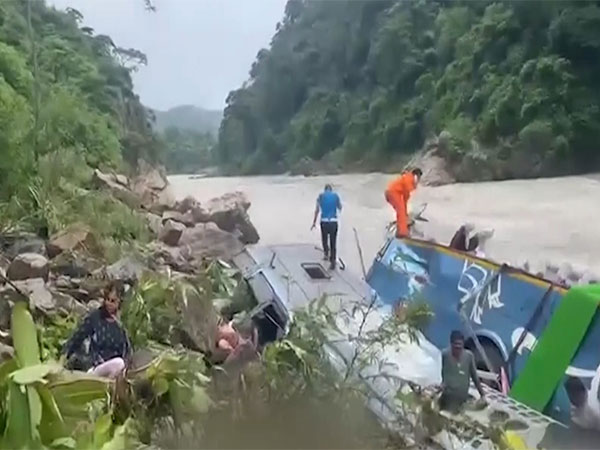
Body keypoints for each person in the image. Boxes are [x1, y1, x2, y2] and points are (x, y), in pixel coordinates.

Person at [62, 280, 132, 379]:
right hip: (96, 367)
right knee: (119, 363)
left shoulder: (122, 325)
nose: (109, 304)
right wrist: (64, 356)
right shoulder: (95, 318)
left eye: (113, 301)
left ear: (119, 302)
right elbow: (78, 337)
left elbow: (127, 351)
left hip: (117, 372)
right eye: (107, 299)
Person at [439, 330, 486, 413]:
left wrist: (482, 394)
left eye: (460, 347)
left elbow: (475, 377)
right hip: (448, 394)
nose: (458, 350)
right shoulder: (445, 354)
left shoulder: (469, 356)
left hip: (461, 395)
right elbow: (444, 372)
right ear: (451, 344)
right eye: (455, 347)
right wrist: (442, 384)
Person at [311, 184, 342, 269]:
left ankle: (326, 254)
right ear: (331, 190)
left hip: (324, 221)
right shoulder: (336, 196)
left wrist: (314, 222)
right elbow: (340, 207)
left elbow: (317, 210)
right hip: (333, 222)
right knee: (333, 242)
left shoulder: (320, 196)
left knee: (324, 239)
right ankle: (333, 261)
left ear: (325, 190)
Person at [385, 168, 422, 238]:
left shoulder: (408, 183)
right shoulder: (409, 178)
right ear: (415, 175)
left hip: (393, 193)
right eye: (418, 177)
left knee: (402, 212)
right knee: (401, 212)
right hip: (392, 193)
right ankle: (402, 233)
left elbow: (405, 199)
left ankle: (401, 229)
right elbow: (407, 187)